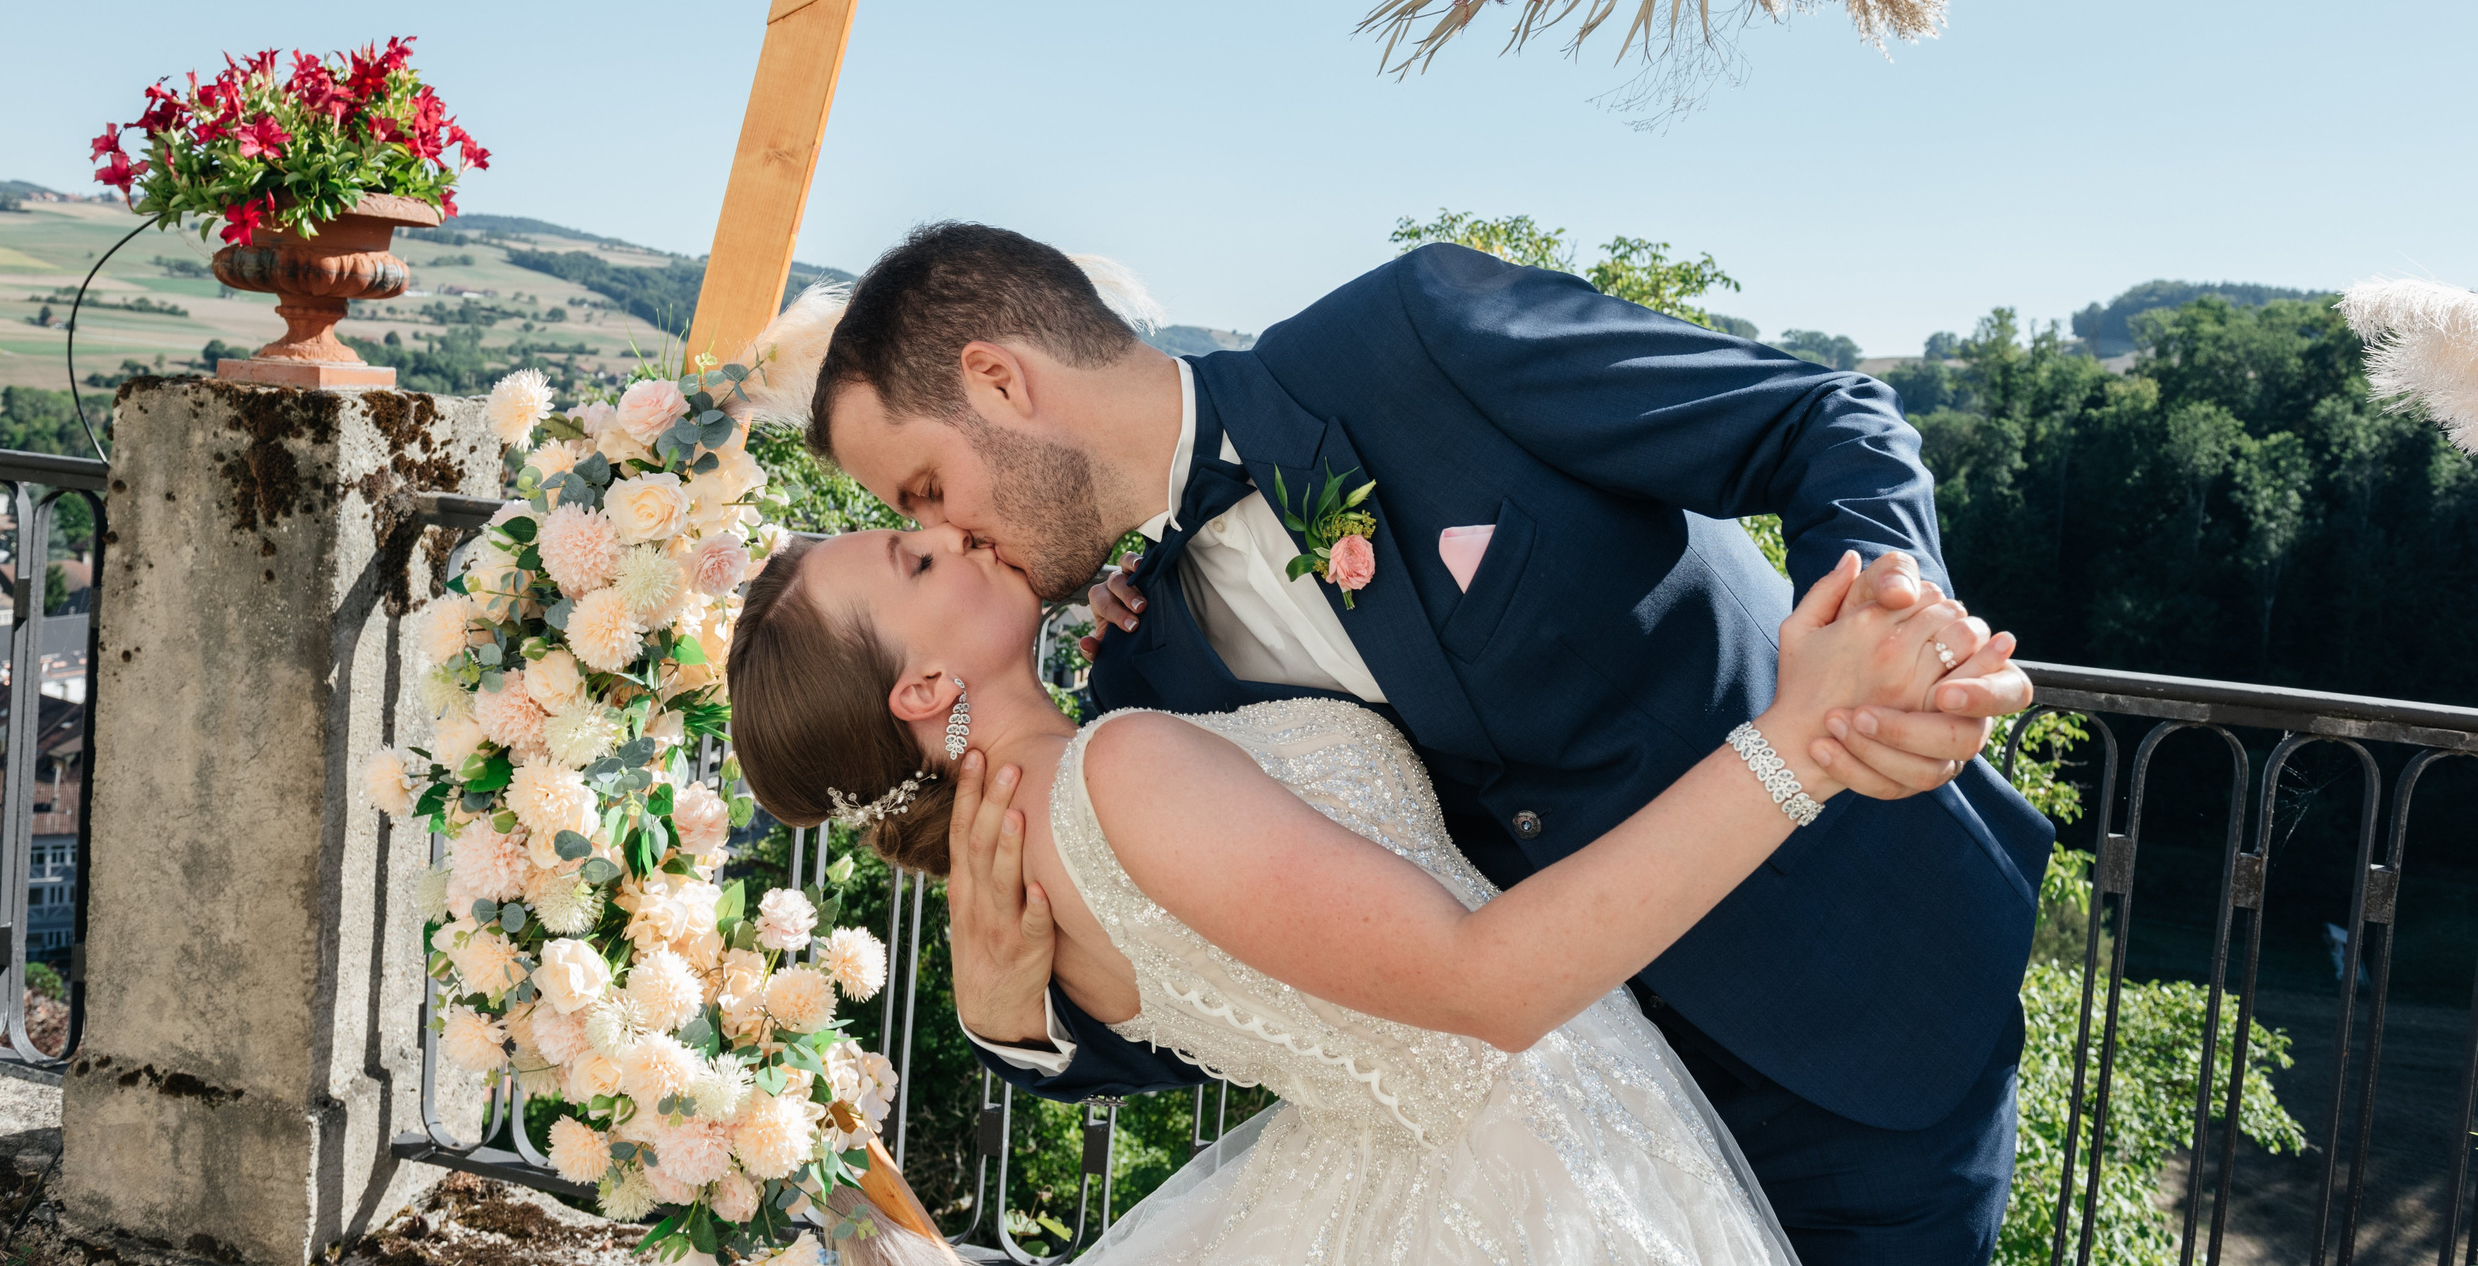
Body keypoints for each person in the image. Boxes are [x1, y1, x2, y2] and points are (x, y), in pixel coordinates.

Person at [796, 222, 2048, 1264]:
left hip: (1864, 998)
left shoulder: (1413, 334)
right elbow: (1264, 978)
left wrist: (1883, 633)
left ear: (1001, 381)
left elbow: (1820, 418)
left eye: (923, 491)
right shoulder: (1144, 671)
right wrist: (1026, 1027)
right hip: (1581, 1154)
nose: (951, 535)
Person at [730, 521, 2012, 1265]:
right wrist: (1798, 740)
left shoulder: (1034, 853)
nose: (949, 528)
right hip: (1530, 1172)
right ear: (916, 691)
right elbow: (1483, 984)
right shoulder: (1118, 766)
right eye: (911, 559)